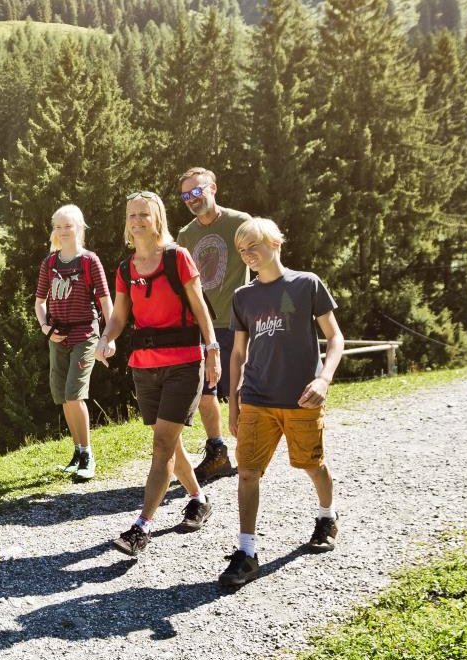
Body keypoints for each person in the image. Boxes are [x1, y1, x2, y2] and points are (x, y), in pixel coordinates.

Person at [217, 217, 345, 591]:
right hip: (257, 397)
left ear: (275, 242)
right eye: (242, 250)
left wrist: (324, 379)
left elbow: (335, 338)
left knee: (312, 464)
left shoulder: (307, 284)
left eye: (253, 245)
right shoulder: (243, 297)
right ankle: (246, 552)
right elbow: (238, 354)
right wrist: (234, 406)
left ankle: (326, 516)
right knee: (247, 472)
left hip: (302, 398)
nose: (248, 254)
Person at [95, 191, 223, 556]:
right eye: (132, 215)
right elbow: (120, 317)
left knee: (162, 445)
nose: (137, 221)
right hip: (144, 367)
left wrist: (211, 351)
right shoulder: (125, 268)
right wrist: (107, 339)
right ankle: (198, 498)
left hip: (184, 362)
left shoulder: (177, 258)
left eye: (144, 215)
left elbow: (201, 309)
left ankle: (141, 527)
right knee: (172, 444)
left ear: (158, 219)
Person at [174, 167, 253, 485]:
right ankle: (218, 452)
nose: (193, 199)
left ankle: (249, 453)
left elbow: (262, 260)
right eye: (186, 195)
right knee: (204, 392)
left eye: (198, 191)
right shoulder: (185, 235)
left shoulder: (239, 222)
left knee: (242, 392)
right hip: (202, 325)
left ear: (214, 188)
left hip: (236, 321)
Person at [34, 205, 112, 481]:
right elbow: (39, 302)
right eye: (59, 226)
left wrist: (108, 337)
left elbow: (105, 301)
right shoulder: (50, 263)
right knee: (63, 397)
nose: (63, 231)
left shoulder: (90, 261)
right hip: (57, 336)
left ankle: (88, 453)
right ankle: (77, 451)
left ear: (79, 227)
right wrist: (46, 329)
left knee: (73, 394)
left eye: (68, 226)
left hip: (85, 335)